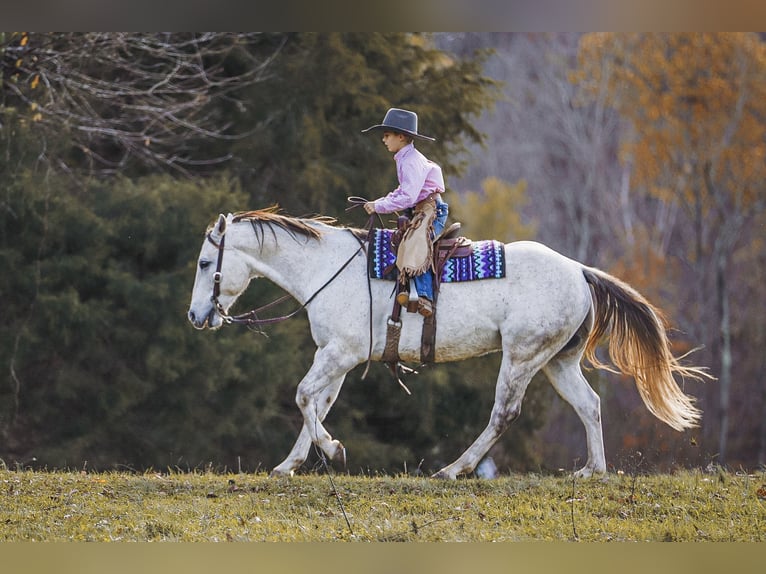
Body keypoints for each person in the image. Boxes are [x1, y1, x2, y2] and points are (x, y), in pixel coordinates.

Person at [361, 108, 448, 318]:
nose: (384, 139)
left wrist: (379, 206)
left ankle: (424, 296)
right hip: (419, 210)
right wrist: (380, 202)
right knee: (403, 241)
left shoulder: (411, 161)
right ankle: (408, 289)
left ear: (401, 137)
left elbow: (408, 196)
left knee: (418, 243)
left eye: (387, 135)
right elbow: (402, 192)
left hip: (431, 211)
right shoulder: (404, 158)